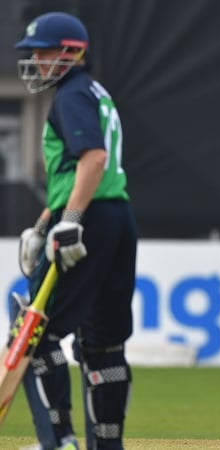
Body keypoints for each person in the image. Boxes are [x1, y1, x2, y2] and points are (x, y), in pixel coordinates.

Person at [15, 11, 137, 450]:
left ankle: (59, 440)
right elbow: (77, 170)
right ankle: (107, 444)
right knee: (104, 340)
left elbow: (92, 160)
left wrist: (70, 221)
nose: (36, 61)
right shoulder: (95, 92)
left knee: (34, 329)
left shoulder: (70, 94)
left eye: (44, 52)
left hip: (90, 219)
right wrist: (47, 219)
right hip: (117, 216)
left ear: (71, 52)